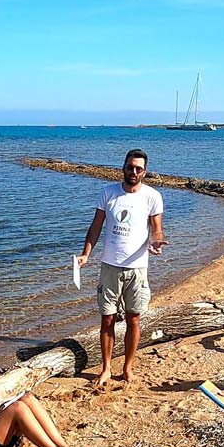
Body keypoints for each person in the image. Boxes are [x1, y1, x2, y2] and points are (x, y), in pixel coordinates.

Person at [75, 148, 167, 386]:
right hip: (109, 266)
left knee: (133, 319)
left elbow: (157, 229)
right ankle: (106, 368)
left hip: (137, 268)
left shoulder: (152, 196)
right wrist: (86, 254)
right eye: (130, 167)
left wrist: (156, 242)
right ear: (123, 168)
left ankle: (127, 367)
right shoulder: (108, 193)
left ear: (145, 172)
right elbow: (95, 227)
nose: (133, 171)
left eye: (138, 168)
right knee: (107, 319)